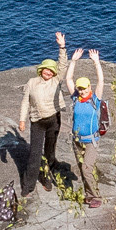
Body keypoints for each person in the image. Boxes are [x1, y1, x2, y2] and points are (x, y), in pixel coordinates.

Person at [15, 32, 71, 194]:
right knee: (34, 155)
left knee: (49, 151)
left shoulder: (56, 80)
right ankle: (28, 185)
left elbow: (62, 65)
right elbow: (25, 101)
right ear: (41, 70)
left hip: (54, 120)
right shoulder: (32, 83)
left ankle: (46, 177)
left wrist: (62, 47)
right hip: (38, 122)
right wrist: (22, 120)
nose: (49, 73)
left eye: (51, 71)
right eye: (46, 70)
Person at [65, 48, 107, 207]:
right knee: (83, 169)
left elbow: (101, 81)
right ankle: (89, 195)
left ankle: (96, 197)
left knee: (87, 168)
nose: (82, 91)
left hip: (91, 141)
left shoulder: (95, 99)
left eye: (85, 88)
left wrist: (96, 62)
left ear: (89, 87)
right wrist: (73, 61)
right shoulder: (76, 98)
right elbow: (68, 79)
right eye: (80, 88)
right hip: (77, 140)